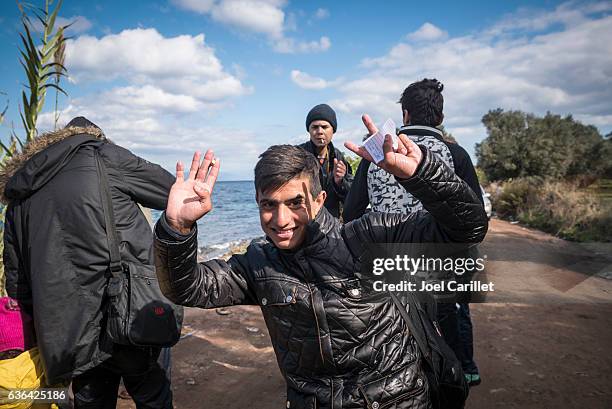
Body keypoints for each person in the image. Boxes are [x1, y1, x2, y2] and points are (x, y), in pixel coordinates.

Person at [153, 114, 488, 408]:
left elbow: (466, 228)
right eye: (268, 205)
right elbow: (187, 288)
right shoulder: (259, 263)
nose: (280, 219)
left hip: (400, 400)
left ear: (319, 199)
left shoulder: (368, 238)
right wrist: (178, 228)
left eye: (295, 202)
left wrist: (422, 174)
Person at [1, 117, 175, 408]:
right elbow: (173, 193)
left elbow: (17, 283)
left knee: (91, 400)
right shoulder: (103, 154)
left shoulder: (21, 190)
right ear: (94, 135)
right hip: (127, 313)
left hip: (66, 330)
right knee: (152, 396)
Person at [343, 79, 484, 386]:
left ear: (405, 115)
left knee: (391, 326)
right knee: (454, 311)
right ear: (441, 118)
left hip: (387, 264)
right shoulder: (455, 155)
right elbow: (474, 219)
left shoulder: (377, 155)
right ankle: (466, 369)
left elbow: (351, 214)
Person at [298, 103, 352, 218]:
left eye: (324, 127)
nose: (319, 131)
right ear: (309, 130)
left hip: (331, 221)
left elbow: (350, 197)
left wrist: (340, 182)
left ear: (333, 130)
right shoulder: (298, 154)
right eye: (314, 127)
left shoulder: (339, 158)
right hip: (304, 219)